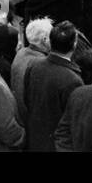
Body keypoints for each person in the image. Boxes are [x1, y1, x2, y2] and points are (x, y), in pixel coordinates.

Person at [19, 20, 82, 151]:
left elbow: (27, 99)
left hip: (35, 139)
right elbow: (72, 121)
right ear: (74, 44)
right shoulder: (73, 80)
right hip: (56, 145)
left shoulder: (34, 65)